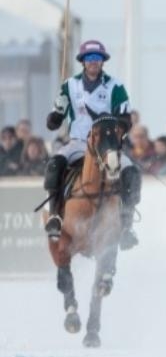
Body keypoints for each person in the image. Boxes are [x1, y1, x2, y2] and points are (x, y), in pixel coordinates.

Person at [42, 40, 140, 249]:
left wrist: (115, 129)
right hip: (78, 142)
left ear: (102, 61)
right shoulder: (69, 85)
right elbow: (58, 111)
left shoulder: (116, 86)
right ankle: (54, 216)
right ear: (83, 62)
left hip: (106, 146)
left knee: (131, 173)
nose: (93, 62)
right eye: (89, 59)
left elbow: (125, 118)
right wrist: (55, 118)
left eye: (97, 59)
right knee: (54, 165)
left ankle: (127, 225)